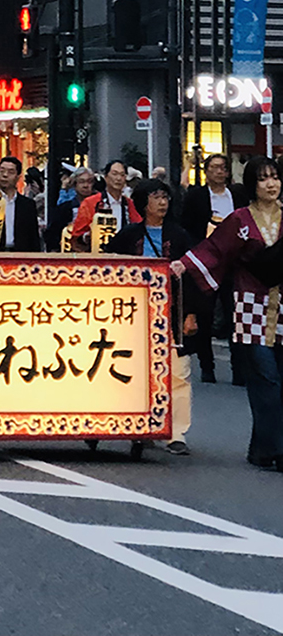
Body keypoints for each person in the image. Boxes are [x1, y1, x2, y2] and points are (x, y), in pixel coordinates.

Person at [173, 155, 283, 473]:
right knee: (266, 380)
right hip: (251, 307)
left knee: (279, 381)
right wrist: (185, 263)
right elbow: (214, 248)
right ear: (252, 185)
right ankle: (276, 448)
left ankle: (261, 449)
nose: (271, 183)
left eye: (275, 176)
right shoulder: (240, 220)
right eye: (263, 178)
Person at [106, 179, 198, 455]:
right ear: (143, 202)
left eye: (165, 197)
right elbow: (111, 268)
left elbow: (192, 278)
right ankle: (140, 426)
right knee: (135, 371)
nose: (162, 202)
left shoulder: (180, 235)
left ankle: (177, 432)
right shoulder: (128, 235)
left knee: (178, 372)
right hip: (134, 314)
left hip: (171, 311)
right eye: (156, 197)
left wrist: (191, 313)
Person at [180, 152, 249, 385]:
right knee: (205, 315)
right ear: (206, 171)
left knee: (235, 315)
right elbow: (186, 226)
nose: (220, 171)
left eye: (223, 167)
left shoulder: (238, 195)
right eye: (215, 167)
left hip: (234, 262)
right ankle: (207, 366)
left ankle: (239, 369)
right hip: (206, 261)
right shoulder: (196, 196)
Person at [70, 159, 141, 250]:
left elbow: (138, 229)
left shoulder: (129, 204)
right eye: (114, 174)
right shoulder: (91, 203)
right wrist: (88, 236)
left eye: (122, 175)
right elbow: (77, 235)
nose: (118, 178)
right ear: (106, 177)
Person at [0, 157, 41, 252]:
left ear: (18, 177)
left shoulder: (27, 205)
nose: (5, 175)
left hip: (20, 255)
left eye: (11, 172)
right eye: (2, 171)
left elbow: (33, 236)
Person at [45, 167, 96, 251]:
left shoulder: (101, 206)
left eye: (89, 182)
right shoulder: (64, 208)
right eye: (81, 182)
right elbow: (52, 234)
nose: (86, 186)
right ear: (74, 184)